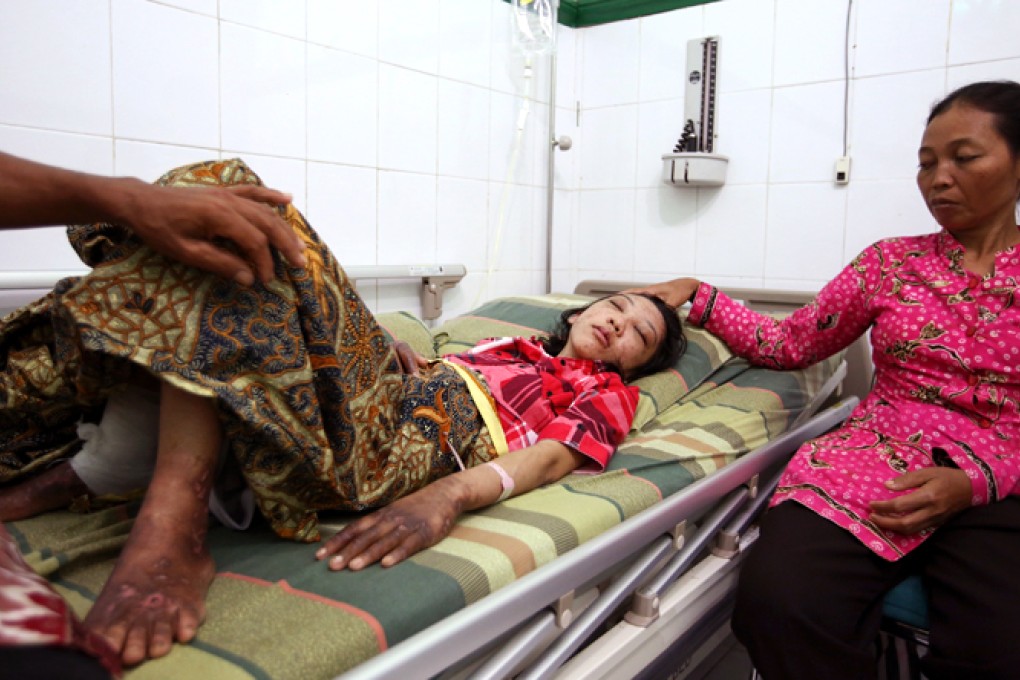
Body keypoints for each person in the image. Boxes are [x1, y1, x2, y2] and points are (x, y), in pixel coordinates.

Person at [0, 157, 685, 667]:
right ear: (585, 308)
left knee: (227, 196)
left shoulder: (604, 394)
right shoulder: (511, 343)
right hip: (381, 397)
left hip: (407, 439)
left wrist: (445, 498)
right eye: (616, 306)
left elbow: (545, 460)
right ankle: (107, 464)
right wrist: (362, 346)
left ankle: (157, 504)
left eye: (640, 337)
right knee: (208, 216)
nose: (620, 325)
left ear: (635, 366)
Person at [631, 79, 1020, 679]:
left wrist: (973, 484)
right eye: (925, 163)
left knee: (1000, 648)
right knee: (778, 605)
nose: (938, 178)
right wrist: (695, 293)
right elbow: (789, 343)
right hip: (872, 462)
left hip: (1000, 485)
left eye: (964, 158)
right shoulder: (889, 264)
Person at [0, 151, 306, 679]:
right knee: (209, 207)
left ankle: (171, 524)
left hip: (418, 394)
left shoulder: (491, 359)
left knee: (215, 190)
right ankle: (111, 461)